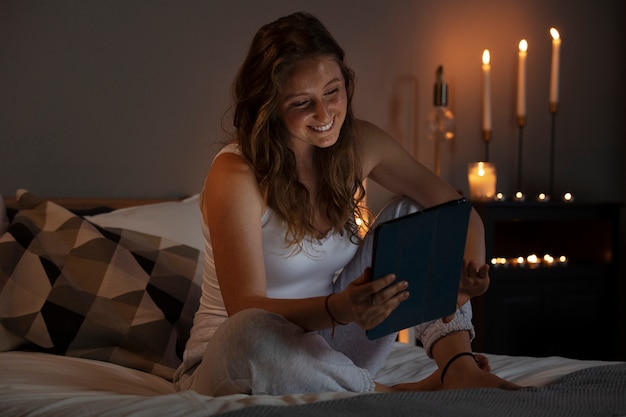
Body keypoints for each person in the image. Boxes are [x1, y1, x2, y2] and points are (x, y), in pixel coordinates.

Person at [174, 11, 518, 396]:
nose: (324, 115)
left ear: (346, 84)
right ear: (269, 105)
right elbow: (246, 308)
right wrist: (340, 307)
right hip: (237, 357)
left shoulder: (360, 144)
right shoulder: (236, 175)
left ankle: (458, 366)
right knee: (248, 331)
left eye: (332, 92)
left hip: (335, 341)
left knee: (415, 213)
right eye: (303, 102)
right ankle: (394, 394)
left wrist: (469, 273)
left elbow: (457, 210)